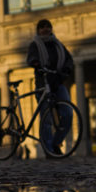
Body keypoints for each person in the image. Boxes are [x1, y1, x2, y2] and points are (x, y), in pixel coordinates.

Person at [26, 19, 74, 158]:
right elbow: (31, 57)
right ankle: (48, 150)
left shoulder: (58, 44)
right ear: (38, 30)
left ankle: (56, 143)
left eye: (48, 27)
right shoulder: (35, 45)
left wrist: (66, 69)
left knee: (68, 113)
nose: (45, 29)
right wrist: (36, 63)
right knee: (46, 119)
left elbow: (68, 59)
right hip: (43, 84)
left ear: (51, 28)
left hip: (57, 83)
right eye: (42, 27)